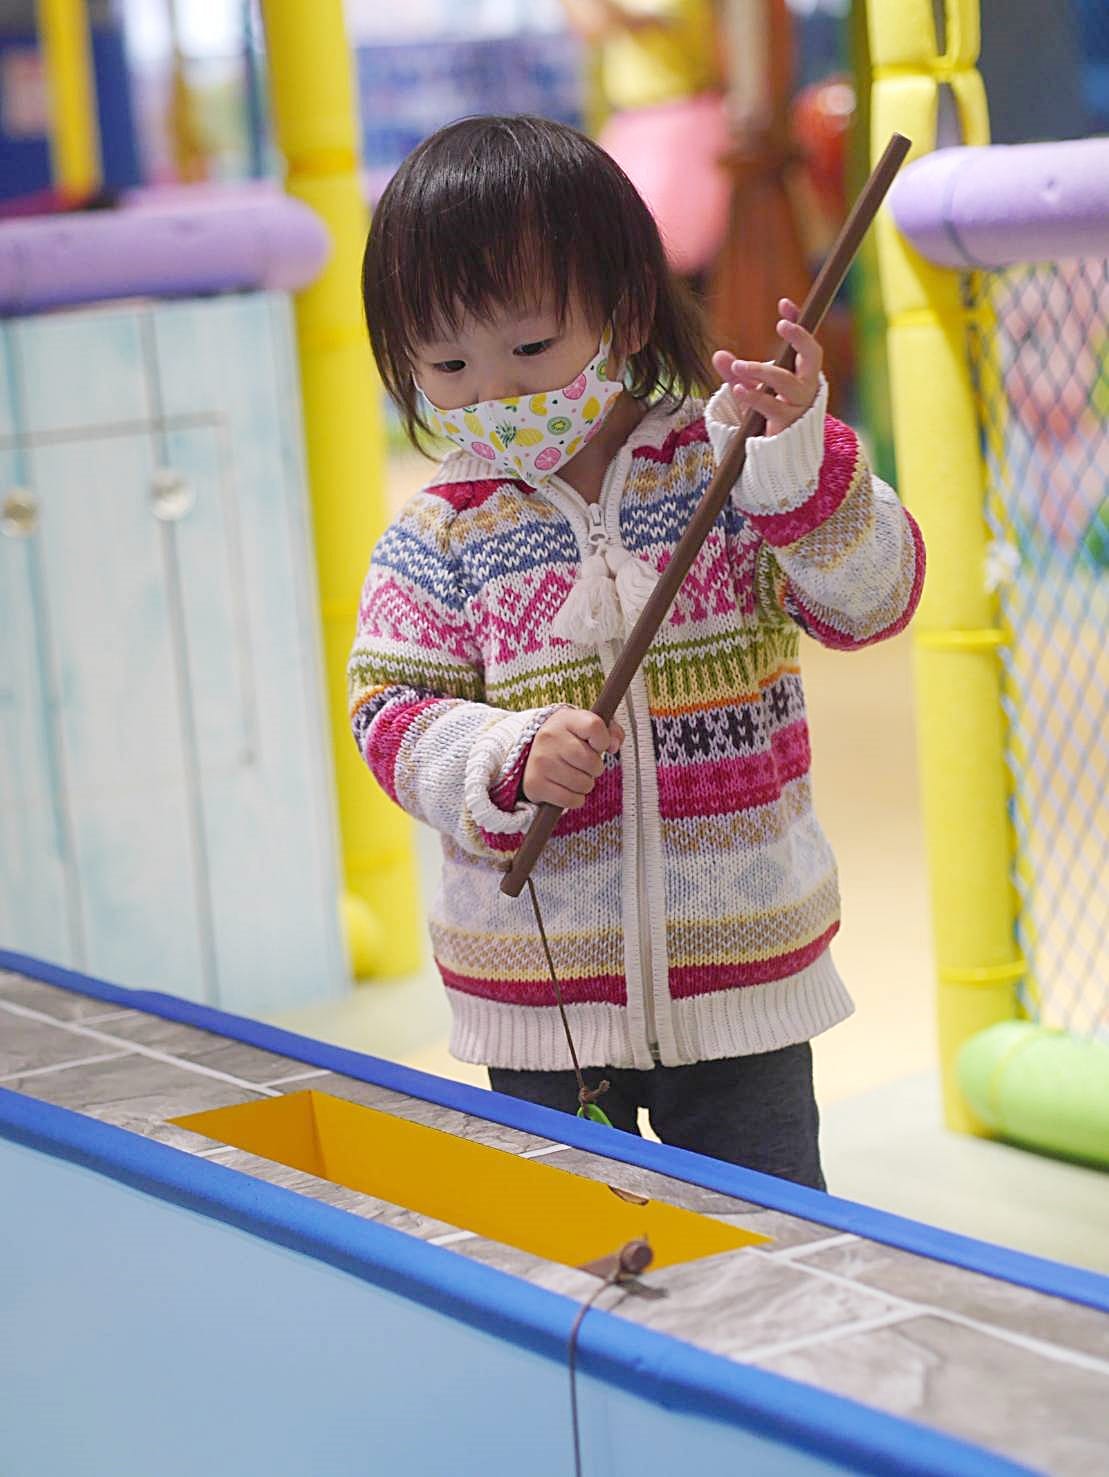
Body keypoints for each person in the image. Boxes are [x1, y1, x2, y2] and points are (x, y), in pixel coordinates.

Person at [349, 115, 924, 1189]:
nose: (495, 393)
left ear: (619, 311)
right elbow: (390, 716)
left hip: (739, 975)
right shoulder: (437, 537)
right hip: (540, 1000)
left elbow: (872, 600)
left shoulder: (729, 466)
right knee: (583, 1263)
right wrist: (499, 754)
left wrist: (795, 465)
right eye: (446, 362)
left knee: (769, 1252)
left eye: (528, 348)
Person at [559, 0, 730, 284]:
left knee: (670, 256)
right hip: (635, 126)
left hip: (680, 125)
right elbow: (591, 24)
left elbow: (620, 20)